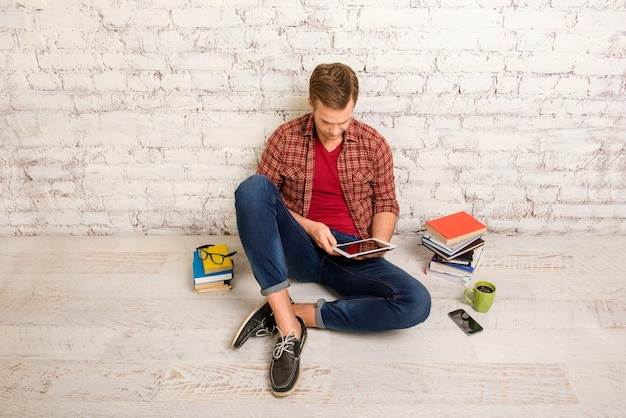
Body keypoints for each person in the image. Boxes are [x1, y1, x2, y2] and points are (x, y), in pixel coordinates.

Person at [232, 63, 431, 397]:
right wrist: (309, 227)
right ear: (311, 104)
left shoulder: (373, 145)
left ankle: (291, 312)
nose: (336, 130)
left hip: (350, 253)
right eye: (327, 122)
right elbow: (263, 206)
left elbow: (386, 202)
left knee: (416, 303)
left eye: (345, 121)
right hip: (298, 246)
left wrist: (378, 242)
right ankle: (288, 332)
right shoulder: (285, 138)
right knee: (252, 188)